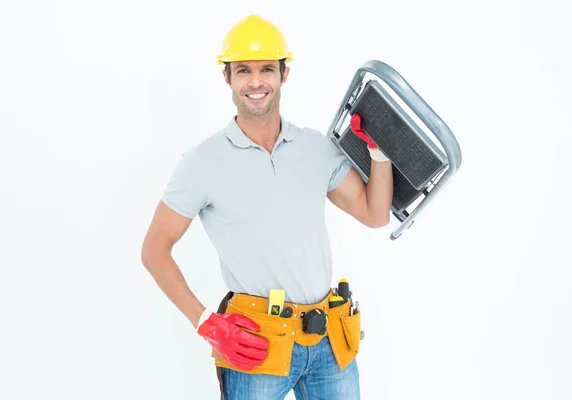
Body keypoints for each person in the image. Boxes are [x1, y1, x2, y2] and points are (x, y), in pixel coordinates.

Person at [141, 14, 394, 400]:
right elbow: (154, 250)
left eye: (266, 70)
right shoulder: (202, 163)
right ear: (227, 77)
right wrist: (205, 322)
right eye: (243, 71)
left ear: (283, 75)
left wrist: (379, 150)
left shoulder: (316, 149)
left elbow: (375, 214)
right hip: (257, 344)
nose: (255, 82)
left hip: (328, 339)